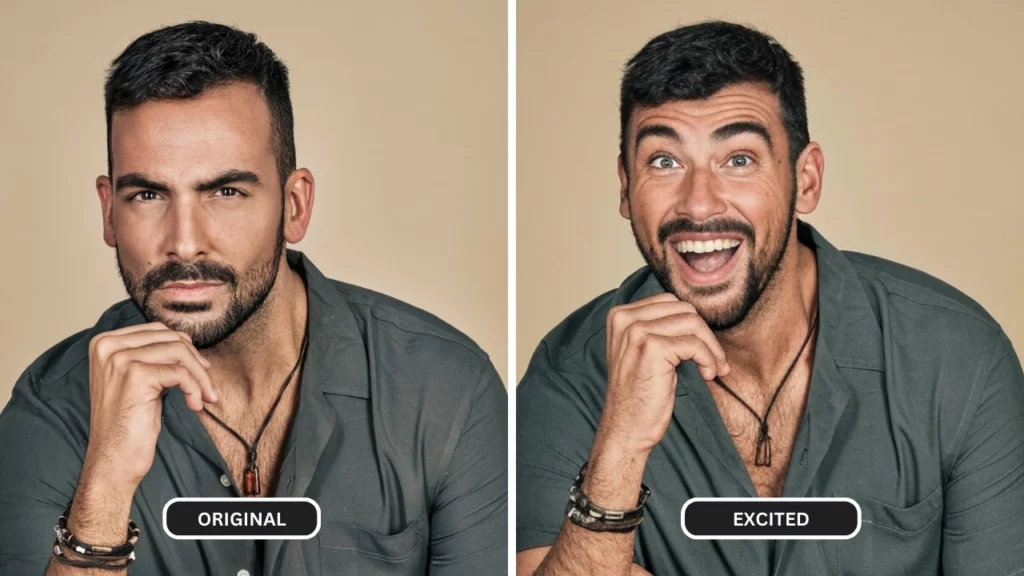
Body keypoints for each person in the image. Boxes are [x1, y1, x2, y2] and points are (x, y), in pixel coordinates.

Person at [516, 20, 1024, 576]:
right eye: (664, 161)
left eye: (739, 159)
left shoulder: (957, 359)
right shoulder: (568, 374)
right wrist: (618, 451)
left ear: (805, 180)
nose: (700, 204)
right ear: (624, 187)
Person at [0, 21, 506, 576]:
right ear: (108, 211)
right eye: (147, 194)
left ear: (295, 205)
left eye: (226, 192)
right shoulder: (50, 408)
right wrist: (105, 485)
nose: (184, 241)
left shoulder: (446, 390)